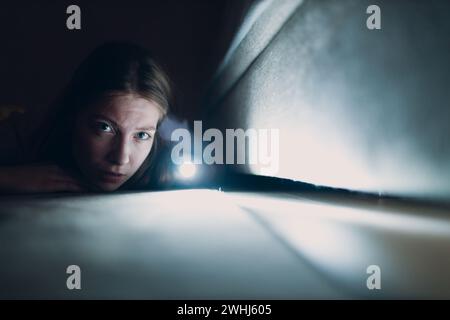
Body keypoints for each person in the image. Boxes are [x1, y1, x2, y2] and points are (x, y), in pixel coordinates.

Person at [0, 42, 172, 194]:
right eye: (104, 127)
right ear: (73, 114)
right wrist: (8, 178)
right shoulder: (25, 135)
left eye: (142, 135)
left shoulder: (169, 165)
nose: (121, 158)